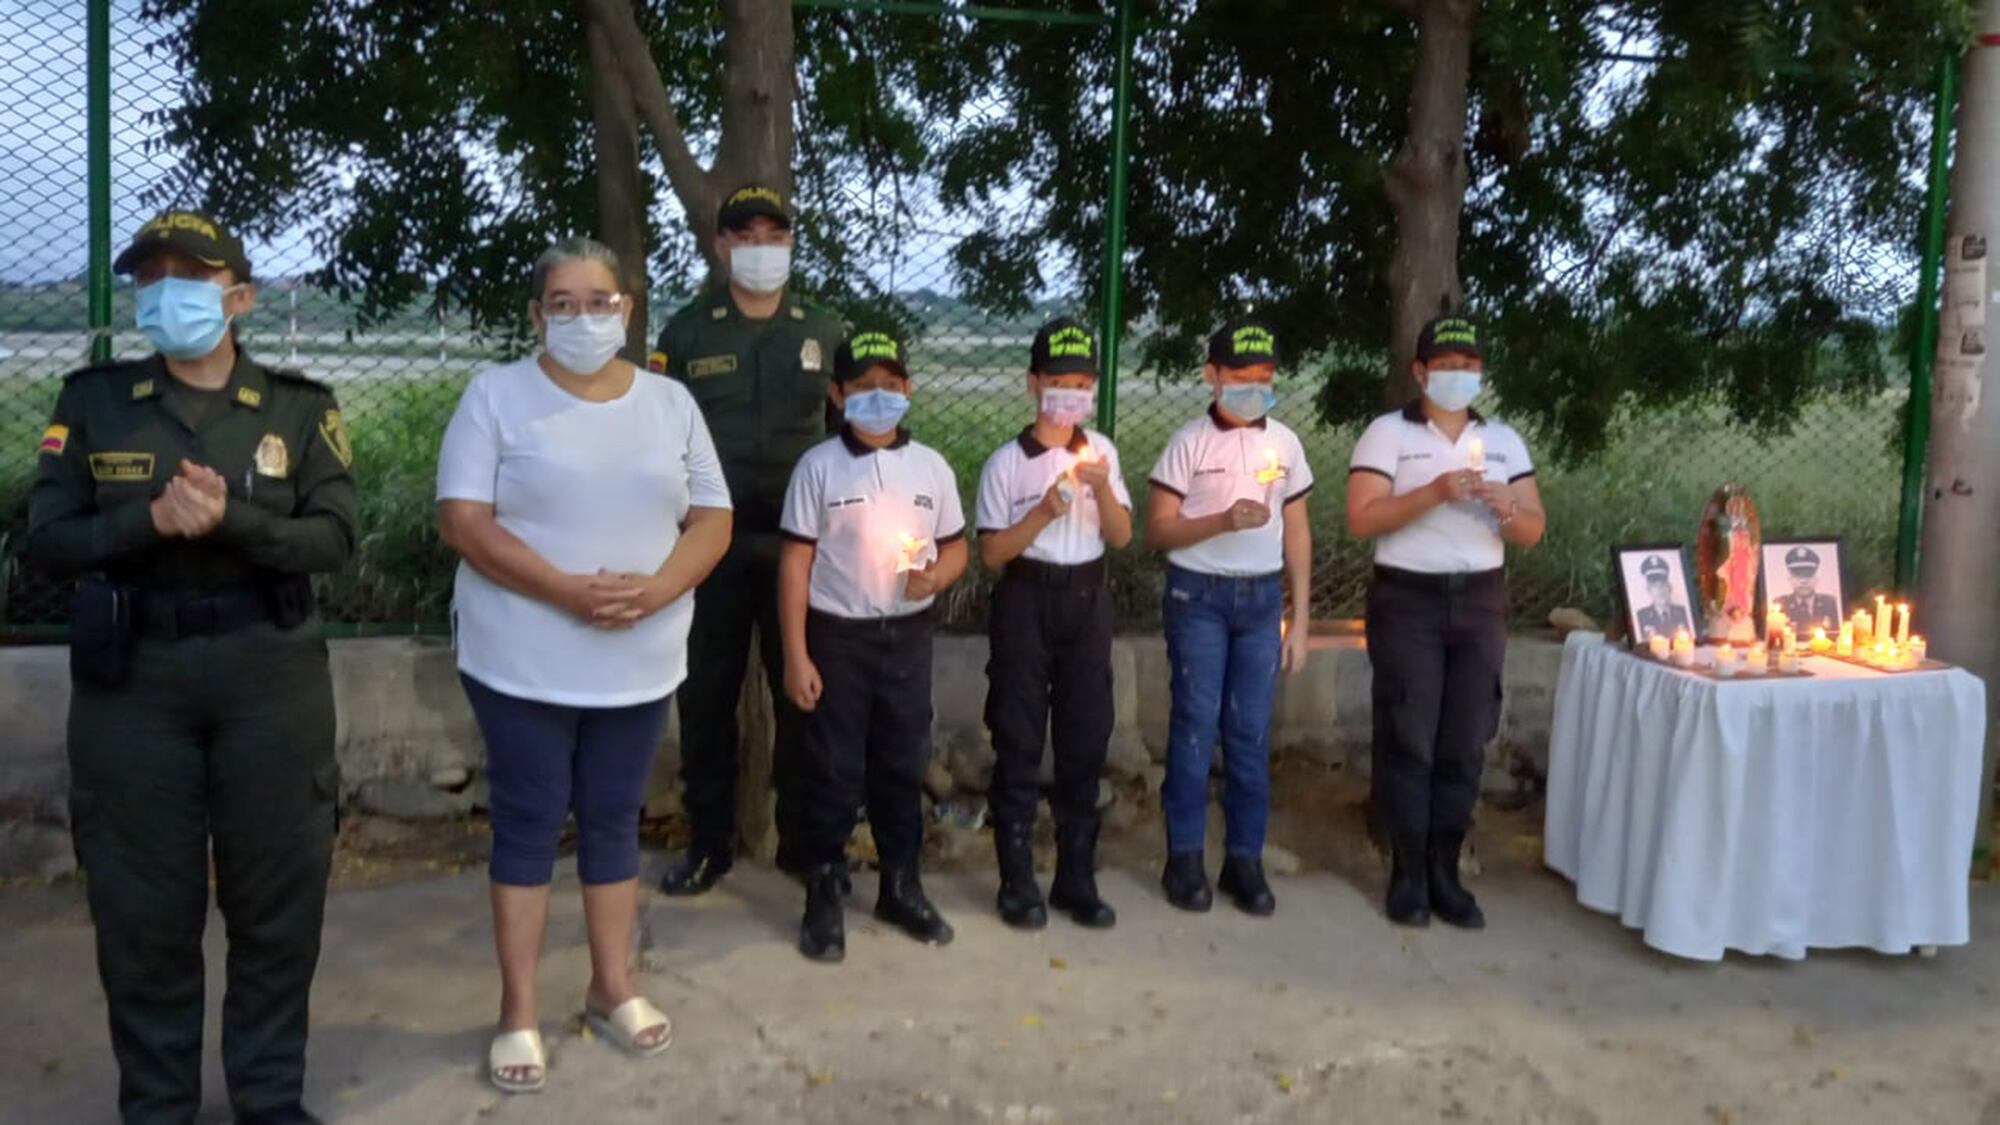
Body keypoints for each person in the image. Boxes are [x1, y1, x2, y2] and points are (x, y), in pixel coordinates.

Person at [26, 211, 354, 1125]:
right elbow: (45, 540)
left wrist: (231, 524)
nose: (168, 292)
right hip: (134, 681)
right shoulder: (93, 401)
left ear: (239, 298)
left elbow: (334, 536)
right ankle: (159, 1106)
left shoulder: (300, 404)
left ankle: (268, 1099)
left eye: (192, 276)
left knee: (278, 903)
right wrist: (145, 523)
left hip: (269, 675)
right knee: (142, 912)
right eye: (152, 277)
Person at [436, 237, 733, 1093]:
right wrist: (566, 591)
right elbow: (465, 518)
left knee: (613, 816)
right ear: (536, 315)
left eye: (598, 301)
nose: (581, 317)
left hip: (637, 659)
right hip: (520, 657)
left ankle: (612, 988)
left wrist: (657, 588)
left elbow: (712, 513)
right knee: (529, 820)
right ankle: (519, 1010)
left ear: (627, 310)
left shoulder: (671, 403)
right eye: (560, 303)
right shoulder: (496, 396)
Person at [653, 185, 847, 895]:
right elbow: (661, 439)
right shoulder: (687, 334)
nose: (759, 246)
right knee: (706, 695)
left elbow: (849, 437)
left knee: (803, 692)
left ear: (790, 244)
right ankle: (709, 842)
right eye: (745, 233)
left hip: (801, 547)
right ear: (722, 244)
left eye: (774, 233)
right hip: (713, 544)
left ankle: (801, 840)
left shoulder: (826, 332)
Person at [1347, 315, 1546, 930]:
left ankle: (1445, 869)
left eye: (1469, 366)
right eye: (1446, 365)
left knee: (1464, 740)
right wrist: (1434, 491)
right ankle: (1406, 874)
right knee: (1410, 737)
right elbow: (1362, 518)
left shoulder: (1506, 442)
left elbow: (1532, 530)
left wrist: (1504, 506)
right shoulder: (1387, 434)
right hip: (1410, 601)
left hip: (1480, 601)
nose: (1459, 376)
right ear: (1420, 371)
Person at [779, 329, 969, 962]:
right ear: (837, 395)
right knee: (831, 769)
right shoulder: (818, 468)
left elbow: (956, 545)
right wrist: (796, 653)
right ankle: (825, 893)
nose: (878, 399)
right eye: (862, 388)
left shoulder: (932, 468)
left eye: (890, 387)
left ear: (908, 390)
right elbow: (795, 565)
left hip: (908, 637)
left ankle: (900, 884)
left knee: (902, 762)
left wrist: (938, 576)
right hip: (838, 637)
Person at [1144, 315, 1314, 917]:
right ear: (1211, 375)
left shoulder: (1285, 444)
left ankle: (1244, 859)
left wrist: (1303, 616)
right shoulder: (1189, 442)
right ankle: (1184, 857)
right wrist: (1220, 520)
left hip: (1262, 601)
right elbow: (1158, 529)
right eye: (1240, 376)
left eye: (1264, 376)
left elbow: (1296, 528)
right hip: (1199, 597)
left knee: (1250, 733)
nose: (1253, 387)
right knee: (1194, 726)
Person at [975, 317, 1133, 930]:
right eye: (1059, 381)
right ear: (1034, 384)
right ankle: (1016, 879)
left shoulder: (1104, 454)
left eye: (1082, 383)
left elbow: (1120, 536)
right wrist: (1043, 511)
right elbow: (992, 553)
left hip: (1087, 600)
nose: (1070, 394)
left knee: (1085, 738)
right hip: (1025, 601)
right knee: (1018, 738)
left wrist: (1103, 494)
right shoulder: (1007, 463)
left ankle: (1076, 877)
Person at [1774, 546, 1839, 633]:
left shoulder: (1829, 603)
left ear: (1816, 579)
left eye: (1808, 575)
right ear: (1790, 580)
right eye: (1798, 576)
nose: (1804, 581)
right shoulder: (1781, 604)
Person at [1635, 555, 1693, 641]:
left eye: (1663, 585)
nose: (1660, 590)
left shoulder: (1683, 612)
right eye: (1655, 586)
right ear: (1648, 591)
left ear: (1670, 588)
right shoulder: (1641, 616)